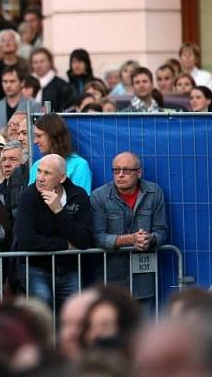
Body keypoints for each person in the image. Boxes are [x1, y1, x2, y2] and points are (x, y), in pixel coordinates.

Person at [15, 154, 95, 311]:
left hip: (69, 268)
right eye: (39, 171)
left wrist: (58, 210)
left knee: (74, 311)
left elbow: (85, 239)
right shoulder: (28, 196)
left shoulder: (78, 196)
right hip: (36, 267)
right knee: (43, 306)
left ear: (62, 177)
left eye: (47, 173)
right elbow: (26, 240)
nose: (40, 178)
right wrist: (65, 245)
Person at [90, 152, 168, 305]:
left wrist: (150, 239)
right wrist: (129, 239)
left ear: (139, 172)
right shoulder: (99, 196)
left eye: (126, 170)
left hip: (143, 278)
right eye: (116, 170)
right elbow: (96, 237)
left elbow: (162, 230)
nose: (120, 175)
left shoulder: (154, 192)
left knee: (143, 327)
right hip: (111, 278)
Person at [28, 112, 92, 194]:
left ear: (54, 136)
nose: (35, 141)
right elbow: (29, 200)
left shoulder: (79, 166)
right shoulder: (37, 165)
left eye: (39, 136)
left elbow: (80, 203)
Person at [0, 66, 42, 135]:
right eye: (5, 81)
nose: (8, 85)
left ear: (22, 83)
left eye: (12, 81)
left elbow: (38, 134)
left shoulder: (34, 106)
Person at [30, 47, 74, 112]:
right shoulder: (26, 84)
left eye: (42, 61)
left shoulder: (61, 85)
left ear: (50, 62)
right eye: (35, 62)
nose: (38, 65)